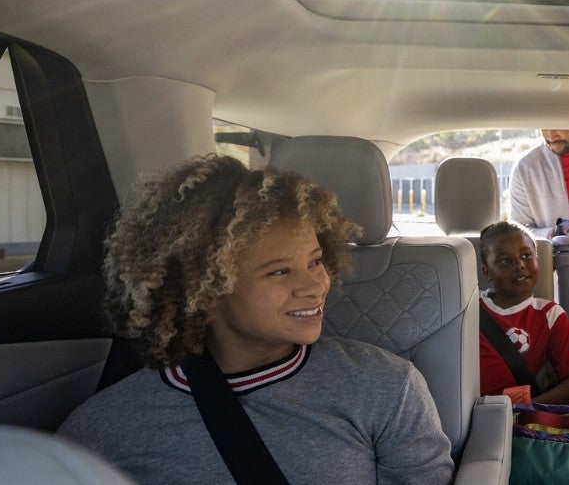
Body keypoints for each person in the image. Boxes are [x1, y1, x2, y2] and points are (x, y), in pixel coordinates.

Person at [57, 155, 454, 483]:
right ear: (203, 289)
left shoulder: (386, 387)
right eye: (279, 271)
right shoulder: (105, 428)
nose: (315, 286)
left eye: (316, 261)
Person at [477, 220, 569, 406]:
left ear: (538, 260)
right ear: (487, 272)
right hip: (472, 413)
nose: (519, 265)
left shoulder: (550, 315)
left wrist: (530, 408)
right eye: (505, 260)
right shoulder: (470, 310)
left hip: (524, 413)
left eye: (526, 255)